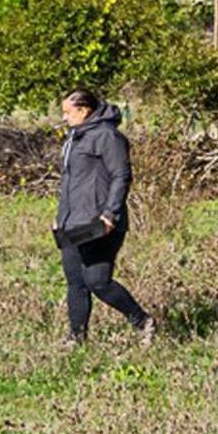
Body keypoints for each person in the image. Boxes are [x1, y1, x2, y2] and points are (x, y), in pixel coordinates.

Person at [55, 88, 155, 347]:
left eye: (67, 112)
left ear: (83, 110)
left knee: (97, 281)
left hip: (101, 223)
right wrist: (60, 217)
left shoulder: (108, 137)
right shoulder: (74, 137)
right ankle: (76, 338)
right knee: (75, 281)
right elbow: (71, 182)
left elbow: (121, 176)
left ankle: (143, 322)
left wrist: (110, 213)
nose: (64, 117)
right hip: (72, 221)